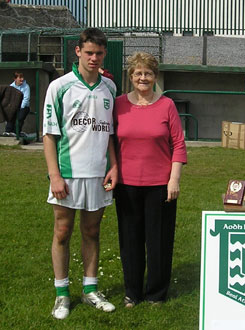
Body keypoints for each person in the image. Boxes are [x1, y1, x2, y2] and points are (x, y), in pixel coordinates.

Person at [43, 28, 117, 320]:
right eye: (89, 53)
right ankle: (62, 295)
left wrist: (114, 165)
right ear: (78, 52)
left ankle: (90, 290)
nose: (94, 58)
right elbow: (49, 135)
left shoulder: (110, 88)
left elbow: (110, 133)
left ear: (104, 54)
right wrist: (54, 176)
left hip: (98, 174)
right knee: (62, 232)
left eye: (99, 53)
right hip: (67, 174)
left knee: (92, 232)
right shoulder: (59, 86)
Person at [113, 52, 187, 308]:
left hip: (160, 185)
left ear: (155, 76)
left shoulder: (167, 105)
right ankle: (132, 292)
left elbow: (178, 144)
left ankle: (156, 293)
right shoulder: (119, 104)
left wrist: (174, 179)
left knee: (159, 241)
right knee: (130, 240)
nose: (143, 78)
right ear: (131, 77)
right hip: (126, 184)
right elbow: (111, 142)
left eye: (147, 73)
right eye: (138, 73)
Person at [3, 72, 30, 137]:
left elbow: (26, 99)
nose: (22, 79)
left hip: (24, 107)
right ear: (15, 79)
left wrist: (20, 107)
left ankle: (16, 132)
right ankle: (8, 131)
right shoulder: (11, 87)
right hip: (14, 106)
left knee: (20, 117)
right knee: (10, 114)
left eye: (22, 77)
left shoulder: (26, 87)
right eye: (20, 78)